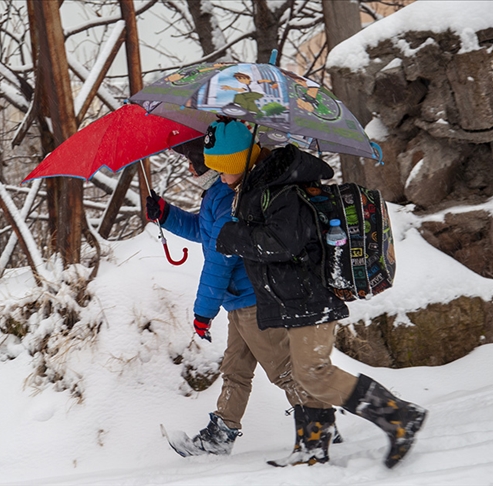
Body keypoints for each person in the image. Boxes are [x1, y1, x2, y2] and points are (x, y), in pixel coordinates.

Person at [208, 119, 428, 469]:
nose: (218, 177)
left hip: (308, 296)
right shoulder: (259, 187)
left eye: (221, 169)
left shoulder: (280, 190)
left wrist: (235, 237)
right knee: (304, 372)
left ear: (238, 161)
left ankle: (399, 416)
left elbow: (285, 243)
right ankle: (312, 446)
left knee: (313, 372)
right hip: (291, 297)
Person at [145, 130, 338, 462]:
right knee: (235, 369)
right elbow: (203, 232)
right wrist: (166, 214)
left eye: (191, 164)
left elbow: (219, 261)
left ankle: (319, 425)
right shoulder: (217, 194)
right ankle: (221, 435)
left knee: (283, 370)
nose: (189, 171)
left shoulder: (227, 197)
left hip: (251, 300)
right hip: (240, 300)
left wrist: (203, 313)